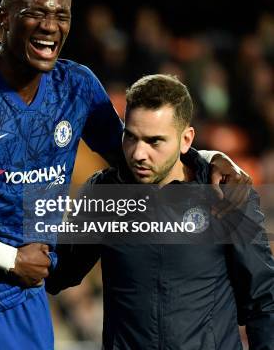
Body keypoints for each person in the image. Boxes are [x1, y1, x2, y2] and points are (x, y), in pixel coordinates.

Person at [0, 0, 250, 348]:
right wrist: (7, 257)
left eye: (61, 16)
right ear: (5, 18)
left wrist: (208, 157)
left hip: (25, 298)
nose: (50, 26)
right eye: (36, 13)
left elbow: (136, 157)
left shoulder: (77, 87)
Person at [47, 74, 274, 349]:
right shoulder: (106, 192)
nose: (138, 153)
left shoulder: (225, 192)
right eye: (130, 137)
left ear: (186, 139)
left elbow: (263, 300)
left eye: (154, 142)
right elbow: (58, 271)